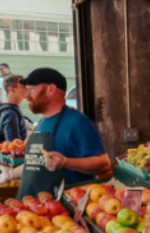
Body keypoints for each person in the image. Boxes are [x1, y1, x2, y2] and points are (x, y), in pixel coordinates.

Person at [18, 68, 111, 198]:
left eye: (31, 89)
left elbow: (104, 164)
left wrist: (66, 162)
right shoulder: (41, 122)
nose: (26, 95)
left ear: (50, 89)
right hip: (29, 209)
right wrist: (10, 174)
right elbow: (36, 164)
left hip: (61, 211)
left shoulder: (78, 123)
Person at [0, 74, 29, 147]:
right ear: (12, 90)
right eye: (23, 87)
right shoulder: (10, 113)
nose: (27, 89)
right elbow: (14, 147)